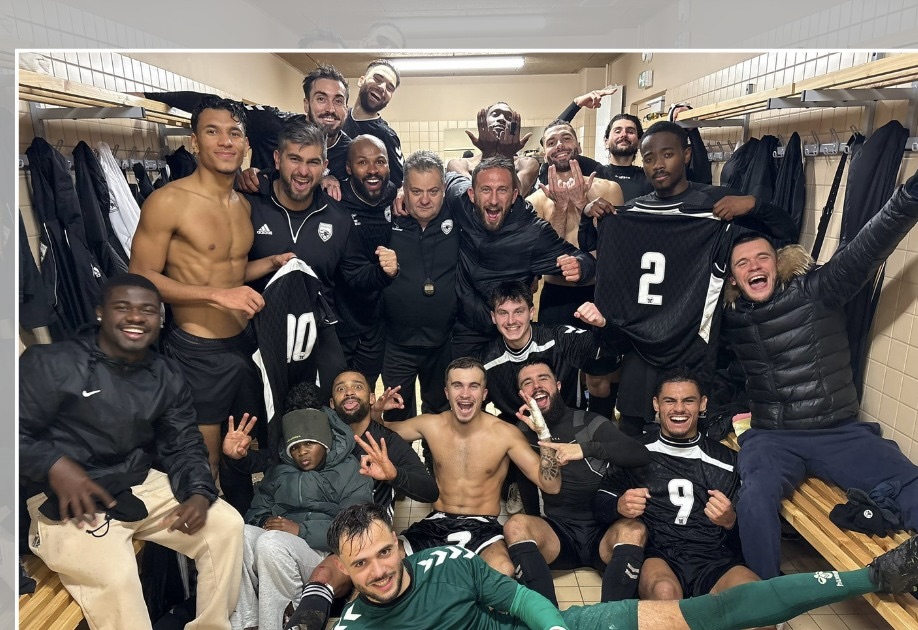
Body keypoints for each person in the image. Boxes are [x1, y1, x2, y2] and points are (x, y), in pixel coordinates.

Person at [722, 168, 918, 579]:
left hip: (837, 431)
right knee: (753, 497)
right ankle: (767, 598)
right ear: (734, 278)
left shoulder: (817, 290)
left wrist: (909, 199)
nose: (754, 266)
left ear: (777, 263)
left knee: (909, 483)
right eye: (743, 263)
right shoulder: (730, 317)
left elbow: (866, 248)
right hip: (773, 436)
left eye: (762, 257)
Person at [20, 274, 243, 630]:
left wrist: (199, 491)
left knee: (226, 526)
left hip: (135, 480)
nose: (136, 317)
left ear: (160, 319)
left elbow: (183, 443)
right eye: (123, 307)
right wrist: (54, 465)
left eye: (148, 310)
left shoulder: (165, 374)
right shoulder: (52, 363)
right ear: (100, 313)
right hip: (64, 498)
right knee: (119, 578)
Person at [324, 502, 918, 630]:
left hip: (556, 629)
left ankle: (873, 576)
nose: (379, 571)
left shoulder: (445, 561)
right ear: (345, 570)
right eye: (362, 564)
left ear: (399, 543)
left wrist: (555, 629)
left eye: (384, 552)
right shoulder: (357, 627)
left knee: (708, 613)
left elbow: (520, 599)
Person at [586, 120, 799, 437]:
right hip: (640, 343)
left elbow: (786, 231)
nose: (658, 164)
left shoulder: (716, 206)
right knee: (632, 430)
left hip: (692, 342)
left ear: (686, 155)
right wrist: (590, 216)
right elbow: (594, 252)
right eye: (649, 158)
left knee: (687, 433)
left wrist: (752, 205)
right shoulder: (631, 213)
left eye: (667, 154)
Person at [129, 96, 285, 512]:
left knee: (244, 453)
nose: (225, 141)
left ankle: (245, 535)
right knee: (204, 462)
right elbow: (140, 277)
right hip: (198, 352)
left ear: (246, 144)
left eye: (234, 133)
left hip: (244, 346)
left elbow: (228, 272)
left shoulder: (242, 204)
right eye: (213, 131)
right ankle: (203, 547)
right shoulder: (169, 201)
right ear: (195, 141)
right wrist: (216, 295)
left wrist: (270, 262)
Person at [280, 372, 440, 630]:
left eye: (357, 386)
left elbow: (430, 492)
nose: (349, 392)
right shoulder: (319, 434)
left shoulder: (386, 441)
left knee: (330, 573)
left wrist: (394, 475)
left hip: (363, 533)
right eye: (341, 388)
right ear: (331, 403)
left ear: (371, 397)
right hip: (317, 528)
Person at [594, 369, 764, 610]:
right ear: (656, 404)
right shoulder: (634, 452)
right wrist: (618, 505)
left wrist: (730, 521)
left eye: (688, 401)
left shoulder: (727, 460)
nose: (679, 409)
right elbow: (599, 505)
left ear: (702, 404)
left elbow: (749, 531)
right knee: (665, 593)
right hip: (660, 553)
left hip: (713, 556)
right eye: (670, 401)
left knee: (757, 601)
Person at [384, 357, 562, 575]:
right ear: (447, 392)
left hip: (483, 527)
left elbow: (551, 486)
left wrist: (543, 434)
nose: (465, 394)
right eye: (457, 385)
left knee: (503, 569)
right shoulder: (431, 424)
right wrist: (375, 412)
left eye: (474, 386)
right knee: (388, 564)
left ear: (484, 394)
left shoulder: (505, 434)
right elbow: (382, 431)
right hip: (436, 522)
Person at [503, 360, 650, 606]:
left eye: (543, 378)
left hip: (603, 530)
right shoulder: (522, 432)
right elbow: (527, 482)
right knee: (515, 525)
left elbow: (638, 454)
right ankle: (547, 618)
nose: (536, 385)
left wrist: (584, 449)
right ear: (522, 395)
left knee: (635, 530)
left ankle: (611, 619)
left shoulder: (586, 422)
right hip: (558, 533)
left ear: (558, 386)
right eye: (527, 383)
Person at [232, 408, 372, 630]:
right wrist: (265, 522)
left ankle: (284, 623)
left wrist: (300, 530)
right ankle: (247, 623)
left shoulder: (350, 471)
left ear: (325, 443)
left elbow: (353, 527)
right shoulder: (279, 471)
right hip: (277, 543)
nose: (302, 452)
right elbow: (256, 511)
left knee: (271, 543)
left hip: (322, 553)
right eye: (295, 447)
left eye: (309, 444)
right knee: (240, 534)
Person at [447, 156, 597, 359]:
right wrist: (405, 193)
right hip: (466, 331)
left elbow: (585, 260)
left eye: (502, 190)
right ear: (472, 194)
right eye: (486, 190)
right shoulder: (460, 200)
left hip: (512, 332)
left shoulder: (532, 232)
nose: (493, 200)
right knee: (462, 378)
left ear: (514, 195)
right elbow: (450, 171)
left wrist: (580, 266)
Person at [527, 120, 625, 417]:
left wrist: (584, 208)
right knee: (559, 374)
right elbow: (547, 258)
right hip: (557, 297)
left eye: (566, 138)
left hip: (598, 294)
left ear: (578, 145)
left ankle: (602, 431)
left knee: (599, 377)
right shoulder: (536, 200)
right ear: (545, 153)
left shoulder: (609, 189)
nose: (559, 145)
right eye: (551, 141)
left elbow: (615, 250)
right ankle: (563, 433)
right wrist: (559, 210)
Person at [381, 150, 457, 420]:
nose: (425, 200)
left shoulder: (459, 214)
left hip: (443, 343)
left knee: (439, 416)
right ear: (404, 189)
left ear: (444, 188)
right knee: (396, 415)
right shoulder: (386, 218)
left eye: (433, 191)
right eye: (416, 191)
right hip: (396, 344)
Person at [244, 116, 351, 302]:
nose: (303, 171)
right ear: (277, 159)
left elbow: (355, 278)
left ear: (324, 166)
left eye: (313, 162)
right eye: (295, 159)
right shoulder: (249, 206)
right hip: (257, 319)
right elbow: (225, 275)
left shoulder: (339, 217)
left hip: (318, 320)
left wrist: (386, 272)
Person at [481, 281, 617, 421]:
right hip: (519, 431)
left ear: (531, 313)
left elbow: (614, 348)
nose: (511, 321)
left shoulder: (561, 339)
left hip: (571, 425)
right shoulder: (486, 361)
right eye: (503, 313)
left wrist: (604, 325)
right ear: (493, 317)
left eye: (518, 311)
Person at [336, 134, 400, 387]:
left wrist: (404, 192)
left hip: (376, 323)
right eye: (362, 162)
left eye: (380, 161)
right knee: (336, 393)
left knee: (367, 391)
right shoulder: (334, 199)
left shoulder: (395, 196)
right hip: (339, 321)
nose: (373, 170)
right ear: (348, 168)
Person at [447, 101, 540, 195]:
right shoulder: (460, 164)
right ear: (484, 121)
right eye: (495, 115)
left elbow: (518, 196)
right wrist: (488, 155)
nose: (502, 119)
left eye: (508, 118)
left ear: (514, 126)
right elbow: (472, 196)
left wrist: (507, 157)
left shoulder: (526, 163)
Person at [341, 59, 405, 186]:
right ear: (361, 80)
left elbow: (400, 184)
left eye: (389, 88)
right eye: (377, 79)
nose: (382, 87)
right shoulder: (337, 120)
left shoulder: (387, 136)